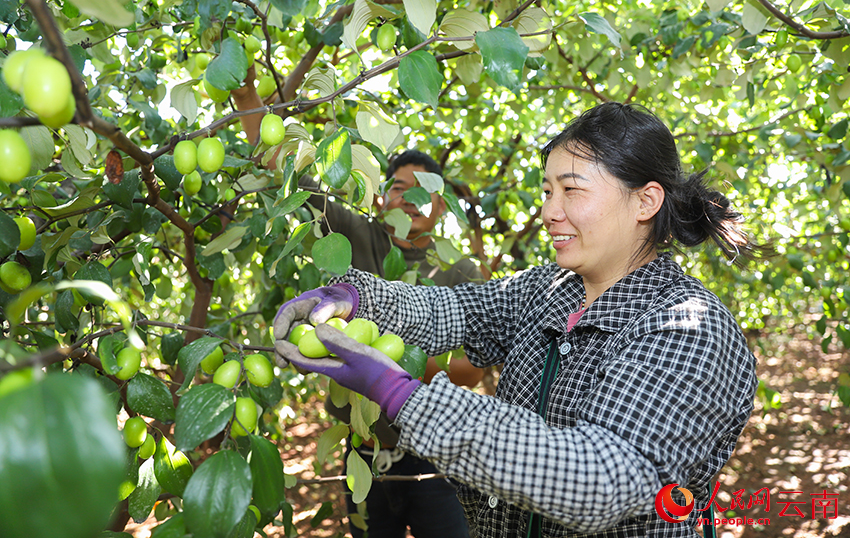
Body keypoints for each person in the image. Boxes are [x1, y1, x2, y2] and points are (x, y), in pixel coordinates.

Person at [272, 102, 767, 538]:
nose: (550, 211)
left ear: (646, 201)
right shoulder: (547, 289)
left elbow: (597, 482)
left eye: (571, 191)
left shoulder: (689, 329)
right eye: (547, 190)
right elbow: (456, 311)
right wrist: (359, 298)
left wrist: (405, 398)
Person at [232, 75, 484, 537]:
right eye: (394, 188)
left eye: (417, 190)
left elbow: (473, 371)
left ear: (439, 204)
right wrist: (246, 95)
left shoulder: (460, 272)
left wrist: (393, 370)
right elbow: (292, 178)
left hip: (436, 452)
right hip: (365, 448)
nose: (403, 199)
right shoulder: (358, 236)